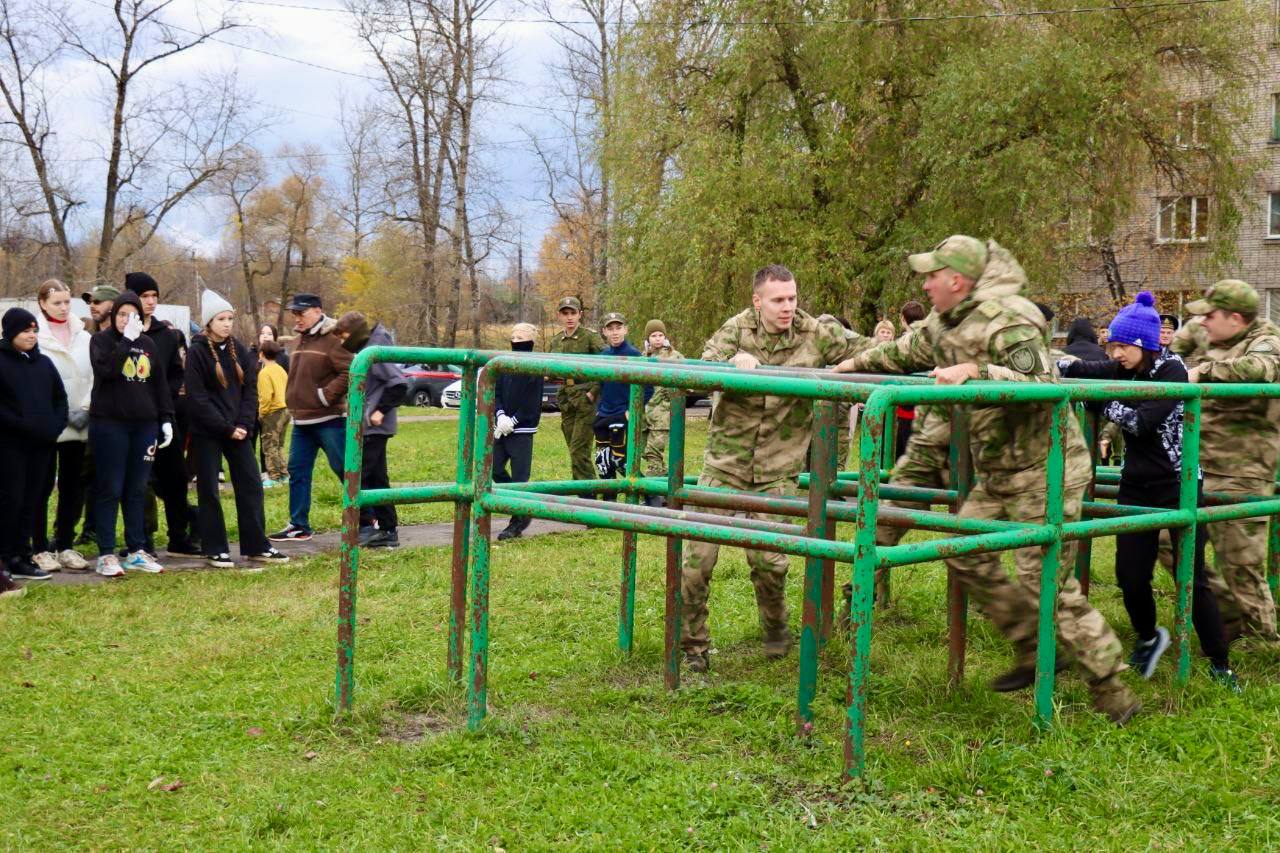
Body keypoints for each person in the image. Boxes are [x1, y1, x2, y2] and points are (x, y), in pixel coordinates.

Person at [835, 235, 1139, 724]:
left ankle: (1111, 687)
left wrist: (977, 371)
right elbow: (907, 349)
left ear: (956, 280)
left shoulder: (1009, 317)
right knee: (964, 551)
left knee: (1042, 580)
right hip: (998, 469)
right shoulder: (946, 319)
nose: (926, 283)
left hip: (1047, 467)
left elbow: (1042, 385)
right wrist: (850, 364)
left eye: (932, 275)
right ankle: (1033, 646)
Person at [680, 265, 874, 673]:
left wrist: (931, 351)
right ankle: (693, 649)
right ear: (757, 301)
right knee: (695, 564)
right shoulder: (736, 328)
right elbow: (701, 366)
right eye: (778, 300)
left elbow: (871, 351)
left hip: (777, 469)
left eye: (792, 298)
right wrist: (734, 361)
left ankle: (775, 633)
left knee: (770, 564)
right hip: (724, 466)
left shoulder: (816, 333)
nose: (788, 307)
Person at [1059, 292, 1236, 689]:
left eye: (1122, 347)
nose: (1115, 354)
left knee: (1191, 579)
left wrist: (1100, 402)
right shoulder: (1128, 367)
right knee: (1130, 576)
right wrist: (1050, 366)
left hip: (1179, 483)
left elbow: (1141, 422)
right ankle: (1149, 637)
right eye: (1113, 346)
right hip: (1136, 484)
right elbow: (1085, 369)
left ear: (1143, 345)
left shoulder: (1172, 371)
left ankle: (1220, 662)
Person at [1184, 280, 1280, 643]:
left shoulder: (1267, 340)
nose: (1203, 323)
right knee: (1167, 540)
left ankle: (1263, 641)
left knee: (1241, 564)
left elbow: (1261, 368)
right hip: (1202, 467)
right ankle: (1228, 617)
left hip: (1243, 472)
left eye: (1210, 315)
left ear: (1236, 318)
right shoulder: (1221, 343)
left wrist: (1201, 374)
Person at [185, 290, 287, 569]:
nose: (227, 324)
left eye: (230, 318)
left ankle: (256, 545)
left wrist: (243, 424)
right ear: (208, 322)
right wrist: (226, 428)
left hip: (238, 432)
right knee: (209, 490)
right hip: (209, 432)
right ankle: (215, 548)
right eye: (221, 319)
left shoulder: (239, 350)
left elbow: (250, 391)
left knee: (251, 485)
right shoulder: (196, 353)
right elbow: (197, 398)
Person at [88, 290, 172, 576]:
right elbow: (108, 371)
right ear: (113, 316)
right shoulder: (100, 341)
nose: (127, 319)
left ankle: (137, 550)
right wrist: (126, 341)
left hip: (144, 426)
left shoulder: (148, 344)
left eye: (132, 315)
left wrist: (166, 419)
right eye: (122, 314)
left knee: (137, 489)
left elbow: (159, 384)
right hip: (110, 423)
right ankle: (106, 553)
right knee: (110, 488)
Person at [269, 294, 355, 542]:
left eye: (301, 313)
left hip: (330, 419)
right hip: (302, 421)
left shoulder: (334, 338)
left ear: (318, 311)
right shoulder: (301, 339)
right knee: (297, 471)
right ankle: (299, 525)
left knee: (344, 469)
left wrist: (326, 396)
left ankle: (369, 516)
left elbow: (350, 370)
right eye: (294, 313)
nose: (297, 317)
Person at [125, 272, 199, 557]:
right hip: (132, 418)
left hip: (165, 416)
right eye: (145, 296)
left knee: (176, 478)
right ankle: (142, 540)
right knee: (140, 481)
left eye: (154, 296)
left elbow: (175, 374)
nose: (151, 302)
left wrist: (162, 401)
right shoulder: (122, 334)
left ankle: (178, 537)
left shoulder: (166, 335)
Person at [0, 308, 67, 584]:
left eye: (34, 330)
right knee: (10, 500)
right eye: (25, 331)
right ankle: (5, 558)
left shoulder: (44, 364)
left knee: (32, 500)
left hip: (43, 445)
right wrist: (22, 425)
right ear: (10, 333)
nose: (31, 335)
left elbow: (59, 398)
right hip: (10, 446)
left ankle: (23, 556)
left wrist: (54, 426)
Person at [32, 279, 92, 572]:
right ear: (42, 303)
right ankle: (39, 547)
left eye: (67, 302)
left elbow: (96, 375)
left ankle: (65, 543)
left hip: (80, 423)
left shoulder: (84, 336)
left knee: (72, 487)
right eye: (57, 302)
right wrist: (57, 412)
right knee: (41, 486)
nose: (64, 307)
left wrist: (86, 407)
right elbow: (31, 380)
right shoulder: (35, 336)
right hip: (48, 424)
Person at [335, 311, 407, 549]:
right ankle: (388, 529)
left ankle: (365, 525)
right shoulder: (370, 347)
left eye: (344, 336)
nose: (342, 341)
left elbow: (398, 384)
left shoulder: (375, 351)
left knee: (358, 475)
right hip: (369, 425)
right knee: (377, 480)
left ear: (355, 333)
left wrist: (379, 412)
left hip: (375, 426)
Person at [73, 284, 122, 551]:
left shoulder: (123, 337)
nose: (93, 305)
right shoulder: (86, 336)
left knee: (112, 478)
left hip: (115, 415)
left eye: (99, 301)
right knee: (85, 474)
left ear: (113, 306)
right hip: (86, 416)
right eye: (91, 301)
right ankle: (85, 528)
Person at [493, 323, 545, 540]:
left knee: (520, 477)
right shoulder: (504, 363)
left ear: (531, 339)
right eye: (513, 335)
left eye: (521, 336)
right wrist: (500, 415)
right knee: (494, 469)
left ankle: (517, 522)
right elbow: (496, 392)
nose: (516, 339)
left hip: (522, 429)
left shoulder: (535, 366)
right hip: (501, 425)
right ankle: (520, 506)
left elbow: (531, 402)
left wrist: (513, 421)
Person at [549, 296, 603, 485]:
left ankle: (587, 497)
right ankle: (585, 493)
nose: (569, 317)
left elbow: (606, 366)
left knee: (579, 450)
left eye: (573, 313)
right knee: (575, 451)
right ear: (559, 316)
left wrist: (593, 392)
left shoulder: (590, 337)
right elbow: (550, 368)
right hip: (566, 398)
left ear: (580, 314)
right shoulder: (556, 341)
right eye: (565, 313)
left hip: (586, 397)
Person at [593, 312, 651, 488]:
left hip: (622, 414)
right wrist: (599, 407)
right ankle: (609, 502)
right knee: (602, 462)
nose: (615, 332)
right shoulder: (603, 355)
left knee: (620, 459)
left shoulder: (634, 355)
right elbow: (602, 385)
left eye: (618, 328)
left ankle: (649, 494)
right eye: (610, 329)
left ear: (626, 329)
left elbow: (648, 388)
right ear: (604, 332)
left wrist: (632, 410)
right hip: (604, 413)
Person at [640, 319, 683, 507]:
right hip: (646, 414)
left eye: (660, 335)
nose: (657, 339)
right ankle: (670, 488)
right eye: (653, 335)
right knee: (643, 451)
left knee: (653, 453)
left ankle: (653, 496)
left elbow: (689, 380)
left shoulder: (675, 357)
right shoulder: (643, 357)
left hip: (664, 414)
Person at [257, 340, 290, 487]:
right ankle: (284, 475)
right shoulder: (281, 370)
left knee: (269, 446)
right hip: (286, 410)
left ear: (261, 354)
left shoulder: (264, 373)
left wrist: (262, 413)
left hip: (272, 413)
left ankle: (274, 477)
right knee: (279, 445)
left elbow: (265, 396)